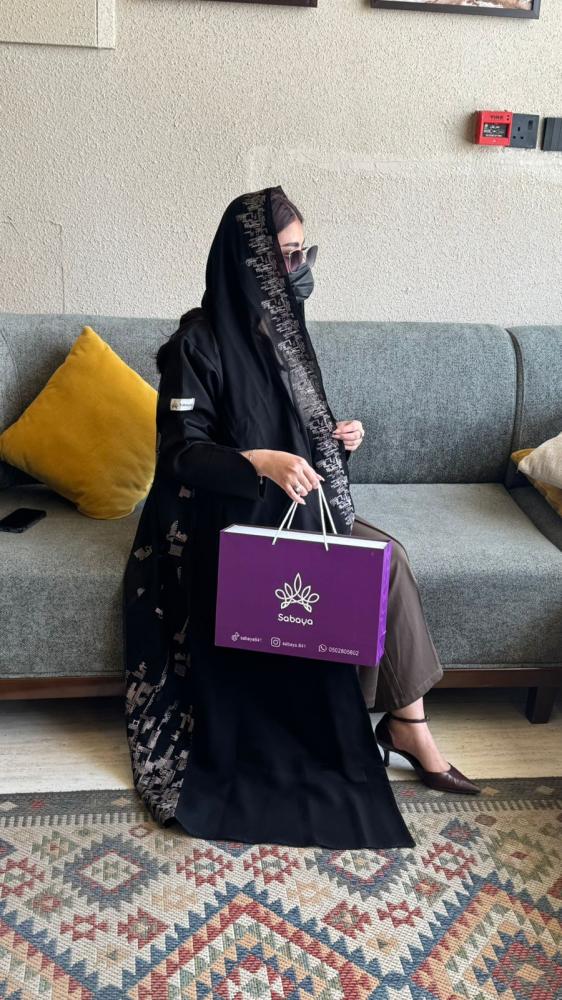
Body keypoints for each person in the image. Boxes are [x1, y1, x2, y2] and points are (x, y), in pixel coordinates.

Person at [122, 185, 479, 852]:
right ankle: (405, 728)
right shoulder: (197, 343)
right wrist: (257, 461)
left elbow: (296, 437)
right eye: (286, 255)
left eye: (302, 253)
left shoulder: (285, 339)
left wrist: (336, 441)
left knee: (385, 560)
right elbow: (180, 455)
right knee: (379, 564)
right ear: (249, 259)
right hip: (219, 517)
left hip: (285, 506)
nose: (299, 269)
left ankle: (409, 724)